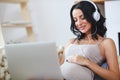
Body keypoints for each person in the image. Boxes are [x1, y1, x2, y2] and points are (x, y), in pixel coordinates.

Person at [60, 0, 120, 80]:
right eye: (75, 20)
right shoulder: (71, 41)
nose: (79, 23)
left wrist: (86, 62)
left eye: (82, 18)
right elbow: (60, 67)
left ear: (94, 16)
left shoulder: (106, 43)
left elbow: (115, 77)